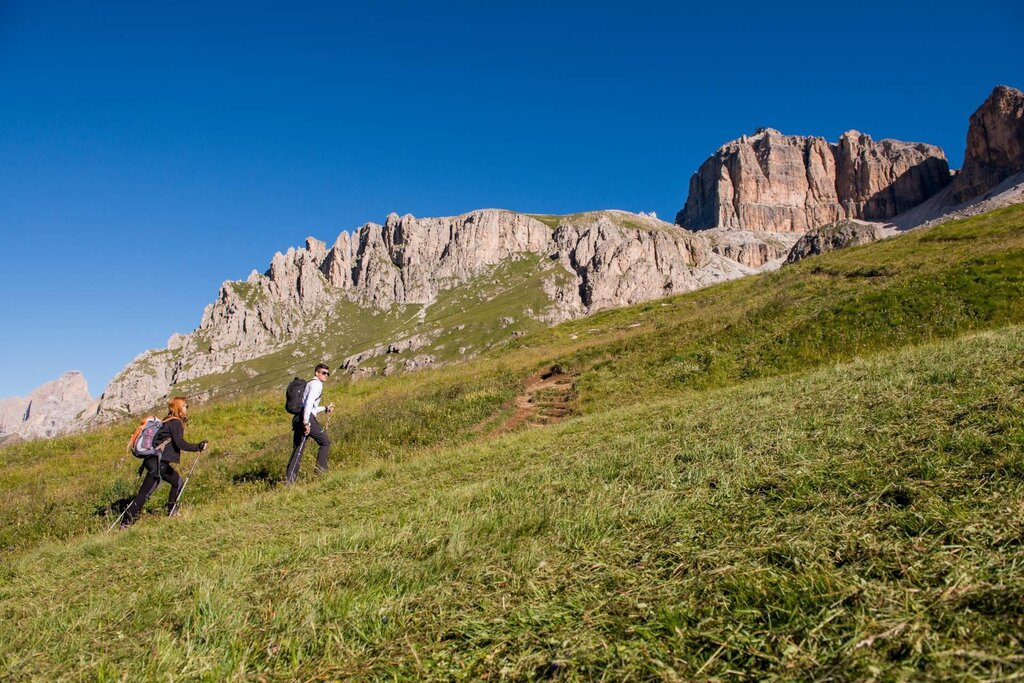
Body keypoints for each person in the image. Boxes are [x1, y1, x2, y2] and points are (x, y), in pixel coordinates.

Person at [122, 396, 208, 526]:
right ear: (179, 407)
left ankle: (172, 511)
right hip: (158, 463)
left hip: (155, 461)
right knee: (144, 494)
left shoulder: (166, 420)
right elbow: (180, 443)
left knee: (177, 482)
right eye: (185, 406)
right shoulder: (176, 422)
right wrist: (198, 447)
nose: (187, 408)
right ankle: (126, 523)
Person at [286, 363, 334, 484]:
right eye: (323, 373)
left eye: (327, 374)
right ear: (316, 373)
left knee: (298, 449)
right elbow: (308, 404)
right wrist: (306, 422)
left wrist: (325, 408)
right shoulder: (317, 384)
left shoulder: (309, 384)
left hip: (299, 417)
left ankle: (289, 481)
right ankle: (321, 472)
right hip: (306, 418)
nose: (326, 375)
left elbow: (309, 406)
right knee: (325, 442)